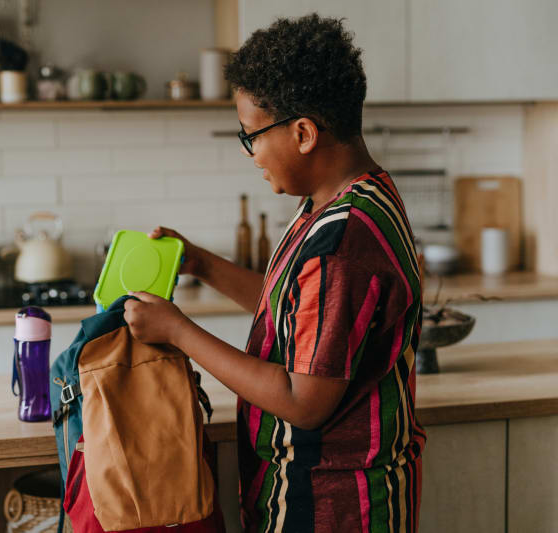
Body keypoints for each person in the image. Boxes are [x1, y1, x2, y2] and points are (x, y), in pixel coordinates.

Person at [123, 13, 425, 533]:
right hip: (316, 493)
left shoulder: (341, 241)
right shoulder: (341, 201)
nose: (252, 153)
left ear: (304, 133)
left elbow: (301, 401)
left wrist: (178, 330)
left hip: (335, 506)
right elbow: (295, 311)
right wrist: (203, 265)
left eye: (252, 136)